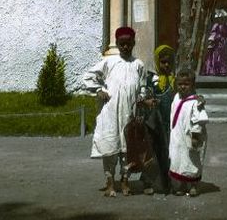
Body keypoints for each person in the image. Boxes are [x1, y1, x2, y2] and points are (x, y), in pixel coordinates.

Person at [83, 26, 146, 196]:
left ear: (133, 43)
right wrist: (98, 90)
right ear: (117, 44)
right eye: (122, 44)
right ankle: (110, 182)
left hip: (129, 112)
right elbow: (89, 76)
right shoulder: (109, 62)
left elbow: (143, 86)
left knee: (128, 148)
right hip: (110, 111)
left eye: (129, 44)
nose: (125, 47)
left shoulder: (138, 64)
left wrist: (141, 96)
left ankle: (125, 181)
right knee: (110, 145)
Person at [140, 44, 176, 194]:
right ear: (157, 61)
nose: (166, 65)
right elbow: (142, 97)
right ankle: (148, 182)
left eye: (169, 62)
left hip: (169, 123)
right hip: (154, 122)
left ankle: (167, 182)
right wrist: (147, 101)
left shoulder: (175, 80)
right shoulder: (151, 79)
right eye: (163, 62)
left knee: (167, 152)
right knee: (152, 151)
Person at [168, 67, 209, 197]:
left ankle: (194, 185)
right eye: (180, 84)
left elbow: (198, 120)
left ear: (192, 85)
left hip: (190, 136)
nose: (182, 87)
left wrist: (195, 136)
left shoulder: (195, 102)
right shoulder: (176, 98)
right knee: (179, 160)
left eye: (186, 84)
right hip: (177, 136)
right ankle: (182, 184)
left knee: (192, 160)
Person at [201, 9, 227, 76]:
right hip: (216, 43)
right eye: (221, 18)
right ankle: (214, 70)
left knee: (223, 56)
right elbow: (213, 33)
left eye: (223, 18)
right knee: (216, 56)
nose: (222, 19)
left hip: (223, 43)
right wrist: (213, 40)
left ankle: (222, 70)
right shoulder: (216, 25)